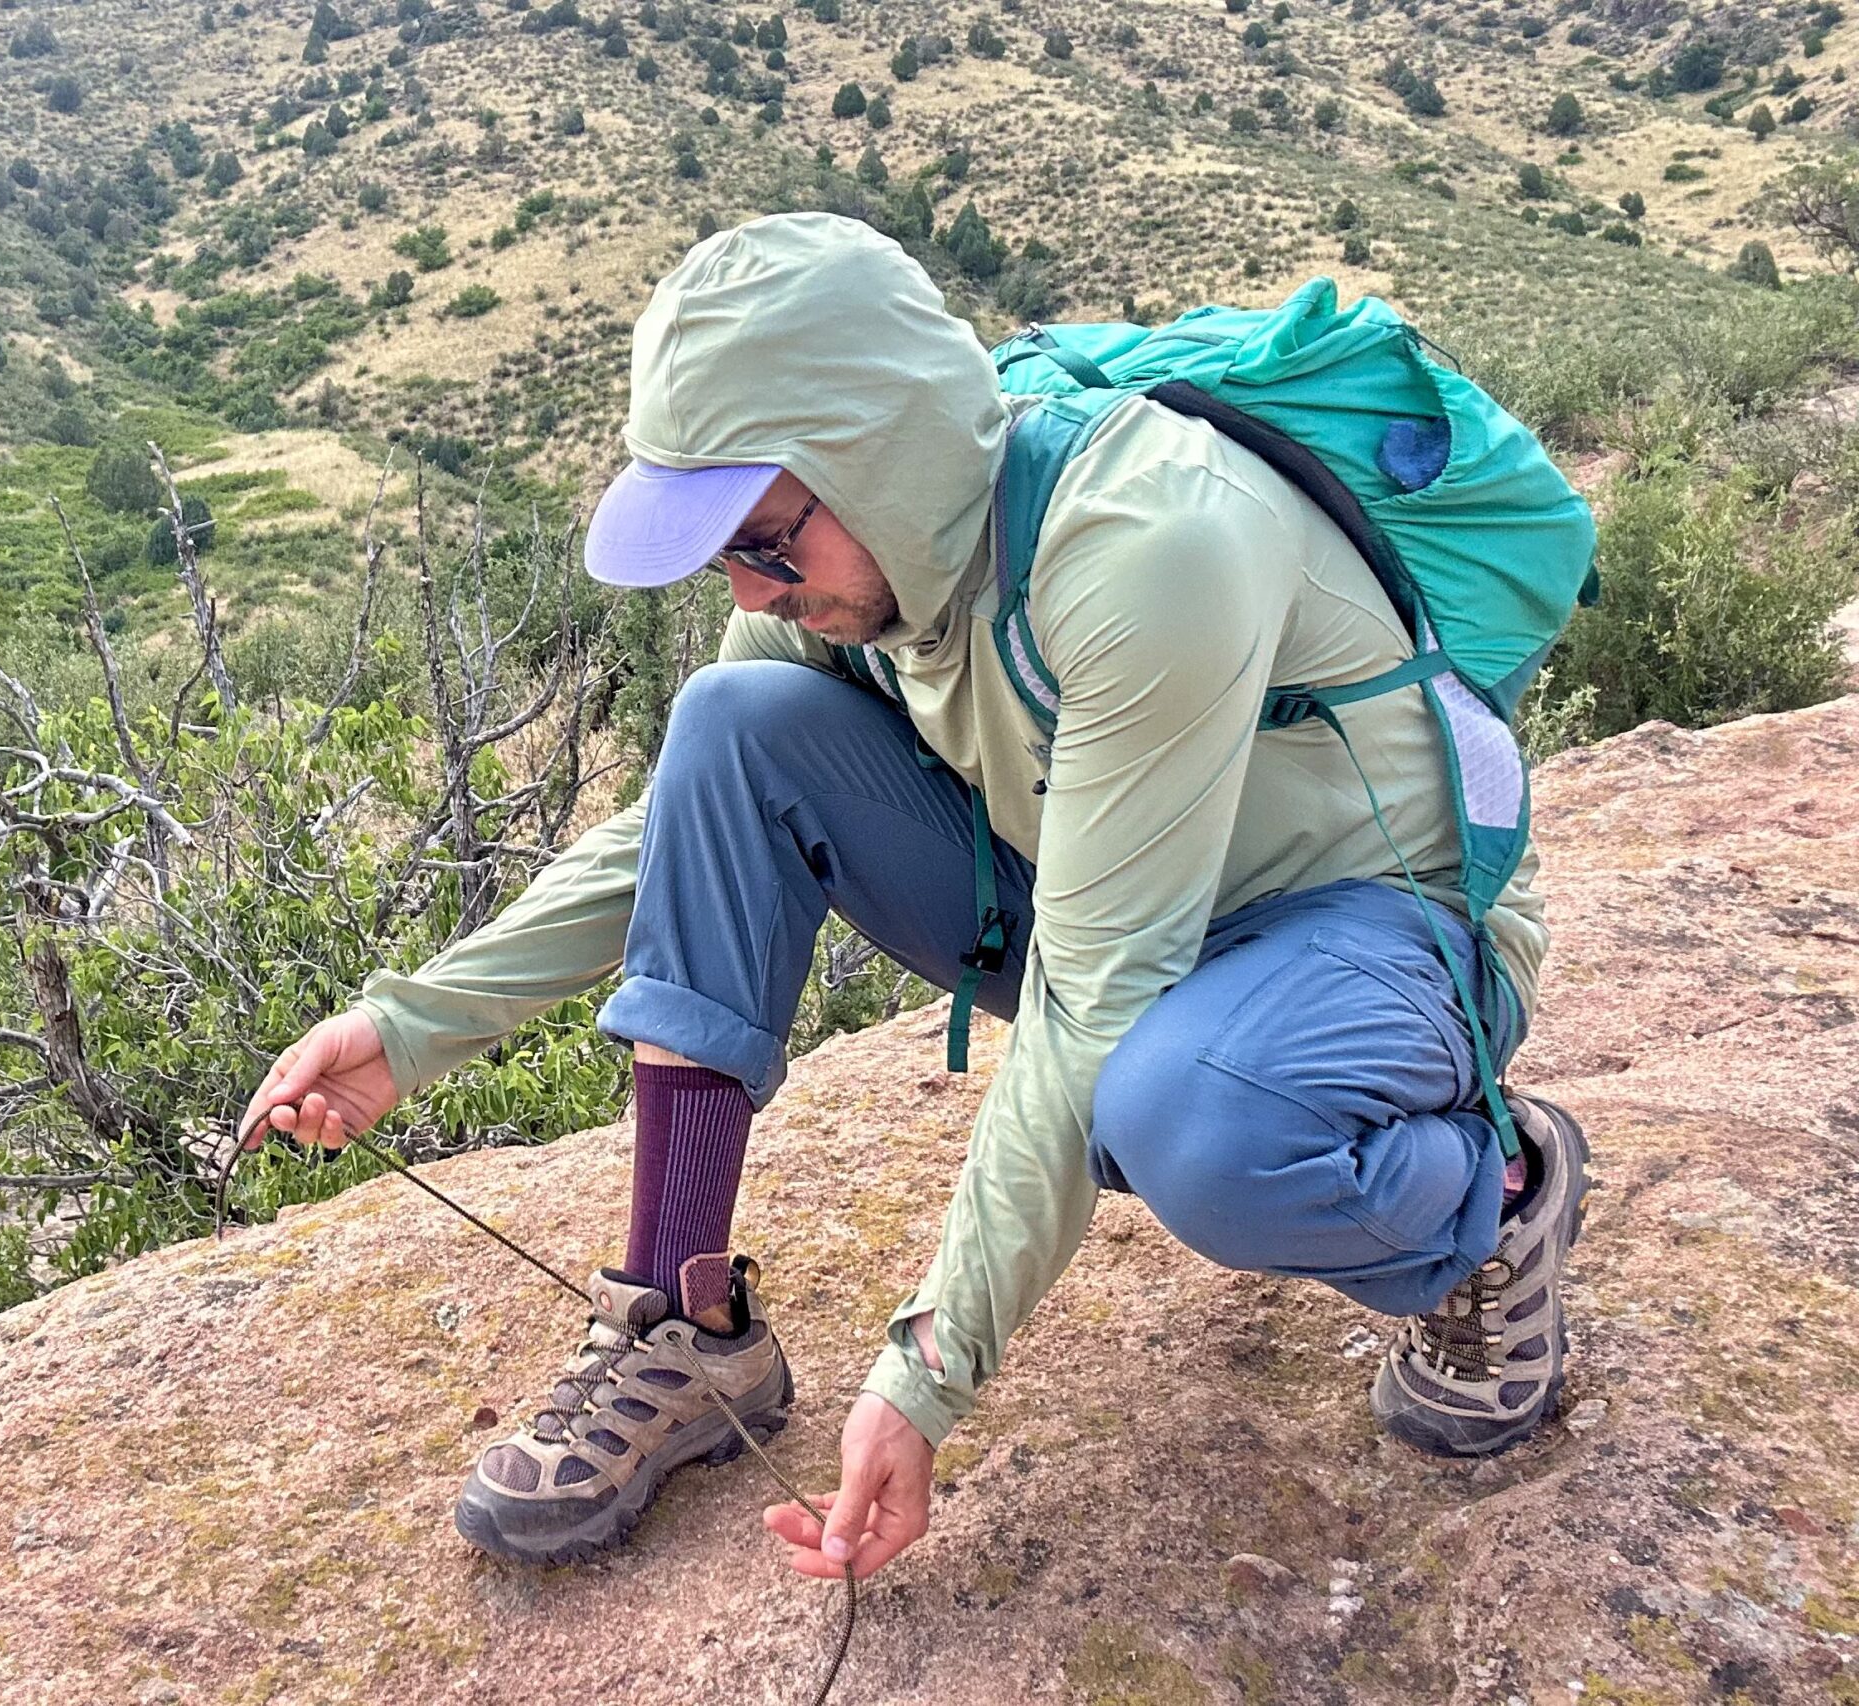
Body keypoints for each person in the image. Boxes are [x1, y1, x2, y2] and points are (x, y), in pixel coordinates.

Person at [237, 213, 1587, 1580]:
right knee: (733, 722)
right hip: (1109, 896)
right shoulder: (848, 572)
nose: (751, 581)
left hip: (1373, 930)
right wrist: (407, 1028)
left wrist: (927, 1369)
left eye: (766, 539)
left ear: (877, 458)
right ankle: (681, 1324)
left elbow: (1099, 992)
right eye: (725, 554)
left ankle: (1492, 1195)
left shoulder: (1149, 544)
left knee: (1187, 1112)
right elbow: (682, 828)